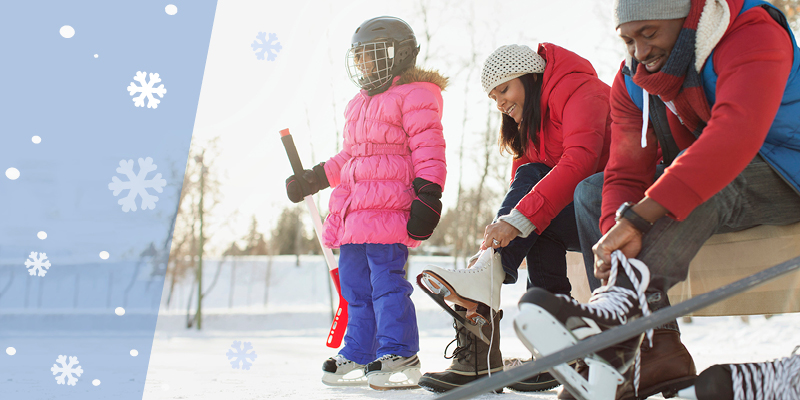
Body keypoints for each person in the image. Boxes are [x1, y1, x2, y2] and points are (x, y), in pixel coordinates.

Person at [519, 0, 800, 398]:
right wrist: (615, 237)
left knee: (703, 174)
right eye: (629, 39)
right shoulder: (635, 80)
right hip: (717, 170)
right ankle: (651, 348)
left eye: (649, 34)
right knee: (592, 192)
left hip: (789, 172)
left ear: (688, 15)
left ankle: (622, 313)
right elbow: (625, 171)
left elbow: (733, 135)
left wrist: (640, 217)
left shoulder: (752, 32)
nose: (640, 51)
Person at [417, 43, 612, 393]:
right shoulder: (531, 128)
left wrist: (518, 220)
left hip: (618, 205)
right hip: (580, 213)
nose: (500, 103)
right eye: (494, 97)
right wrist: (501, 236)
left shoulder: (582, 90)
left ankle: (485, 280)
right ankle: (550, 348)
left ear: (531, 77)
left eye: (504, 89)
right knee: (532, 204)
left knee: (532, 201)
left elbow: (581, 160)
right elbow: (521, 194)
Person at [284, 16, 448, 390]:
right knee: (355, 287)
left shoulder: (416, 96)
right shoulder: (358, 105)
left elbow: (428, 148)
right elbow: (350, 158)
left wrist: (429, 193)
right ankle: (360, 351)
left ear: (396, 55)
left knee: (386, 285)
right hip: (353, 214)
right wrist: (315, 177)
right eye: (358, 57)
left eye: (370, 56)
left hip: (388, 211)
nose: (363, 64)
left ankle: (399, 351)